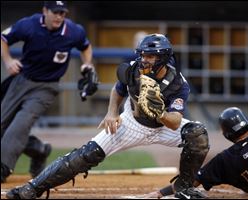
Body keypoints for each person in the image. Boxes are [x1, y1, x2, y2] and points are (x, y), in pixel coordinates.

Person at [5, 33, 210, 199]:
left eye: (149, 56)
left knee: (198, 135)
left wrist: (160, 113)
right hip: (132, 123)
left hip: (163, 127)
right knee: (83, 156)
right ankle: (32, 188)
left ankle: (183, 190)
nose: (144, 60)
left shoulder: (178, 83)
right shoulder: (132, 69)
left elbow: (174, 123)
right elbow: (117, 90)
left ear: (162, 58)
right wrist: (112, 113)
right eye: (143, 55)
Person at [1, 1, 98, 183]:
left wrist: (87, 63)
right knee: (2, 127)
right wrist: (8, 61)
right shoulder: (28, 24)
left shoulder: (73, 31)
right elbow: (4, 38)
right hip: (22, 80)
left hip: (47, 86)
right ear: (45, 11)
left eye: (63, 13)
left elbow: (85, 46)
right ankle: (39, 150)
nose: (59, 16)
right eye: (55, 12)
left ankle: (3, 167)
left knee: (20, 124)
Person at [145, 107, 248, 199]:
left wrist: (160, 192)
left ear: (226, 134)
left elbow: (191, 181)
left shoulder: (224, 161)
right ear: (246, 122)